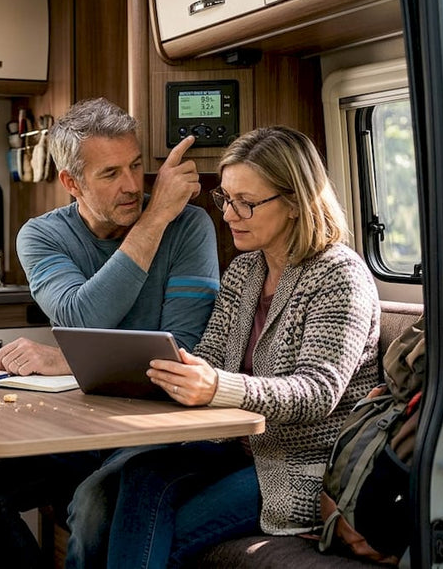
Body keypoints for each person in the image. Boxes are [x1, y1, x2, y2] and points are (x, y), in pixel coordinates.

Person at [100, 125, 382, 568]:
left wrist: (216, 388)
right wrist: (165, 374)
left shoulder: (339, 276)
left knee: (163, 536)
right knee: (139, 476)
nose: (229, 215)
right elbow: (210, 357)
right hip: (232, 449)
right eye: (225, 199)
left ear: (294, 202)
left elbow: (317, 392)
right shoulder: (244, 271)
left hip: (297, 468)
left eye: (246, 203)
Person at [0, 97, 220, 569]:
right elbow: (81, 316)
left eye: (137, 166)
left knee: (96, 503)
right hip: (82, 427)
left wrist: (68, 359)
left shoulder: (188, 226)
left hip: (159, 430)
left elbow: (183, 347)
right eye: (110, 174)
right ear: (70, 183)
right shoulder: (41, 236)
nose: (132, 186)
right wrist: (153, 220)